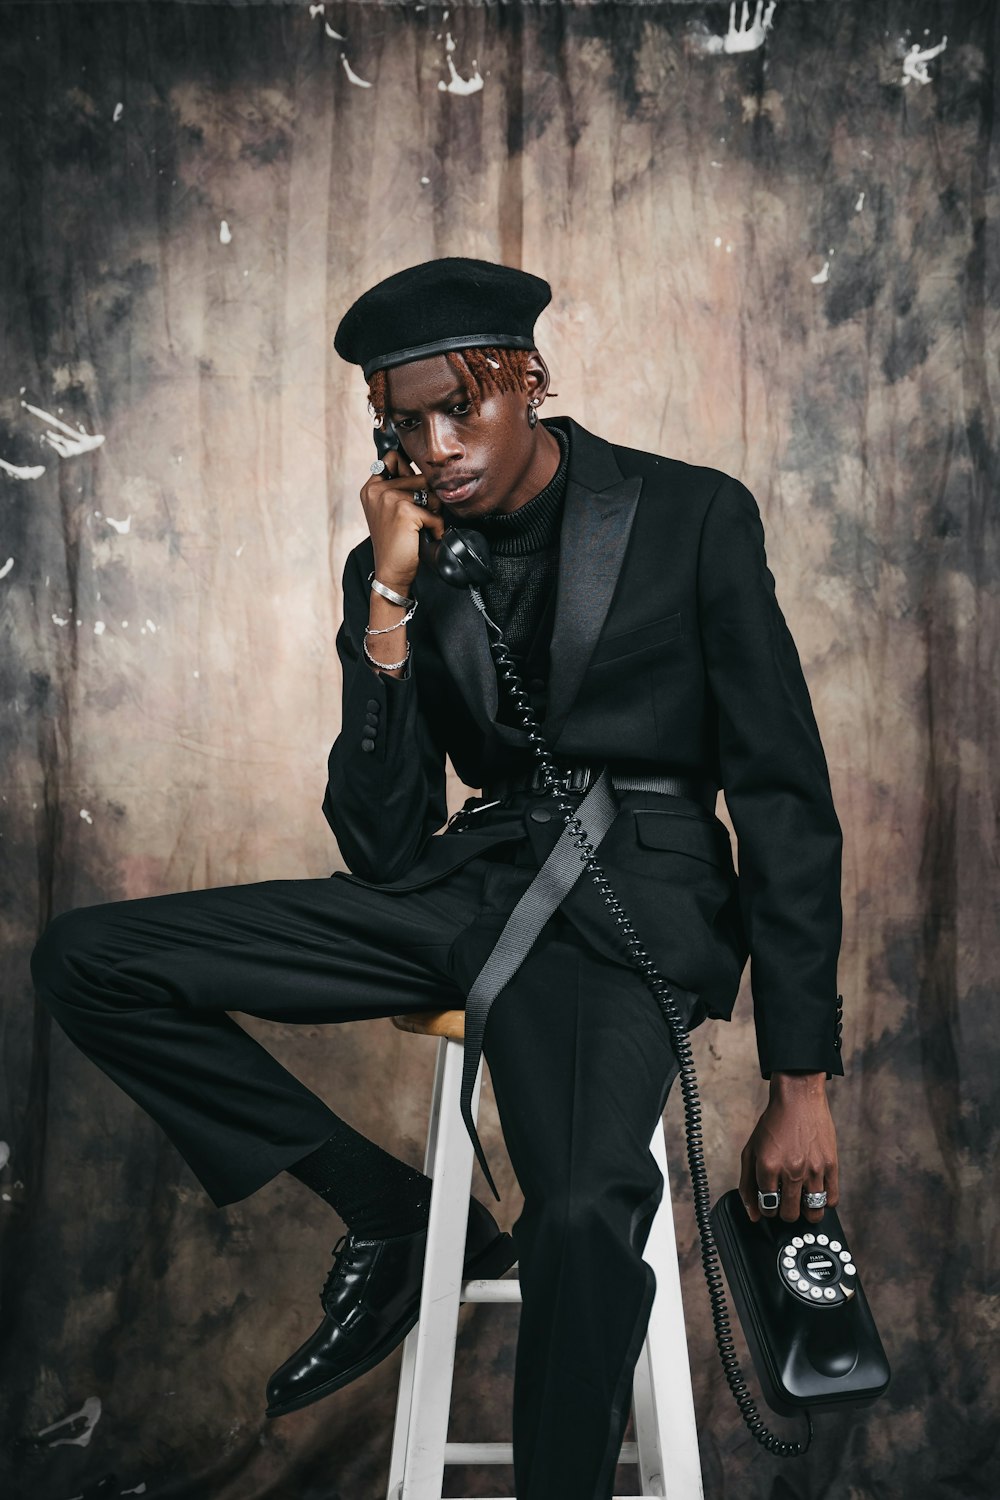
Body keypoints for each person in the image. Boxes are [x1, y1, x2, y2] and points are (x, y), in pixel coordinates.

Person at [30, 256, 844, 1500]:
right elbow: (383, 843)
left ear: (527, 381)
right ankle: (404, 1215)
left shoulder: (690, 514)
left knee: (579, 1215)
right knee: (89, 958)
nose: (438, 443)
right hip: (462, 888)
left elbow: (785, 798)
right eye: (404, 422)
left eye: (461, 407)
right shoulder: (395, 559)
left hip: (627, 903)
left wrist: (801, 1080)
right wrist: (392, 605)